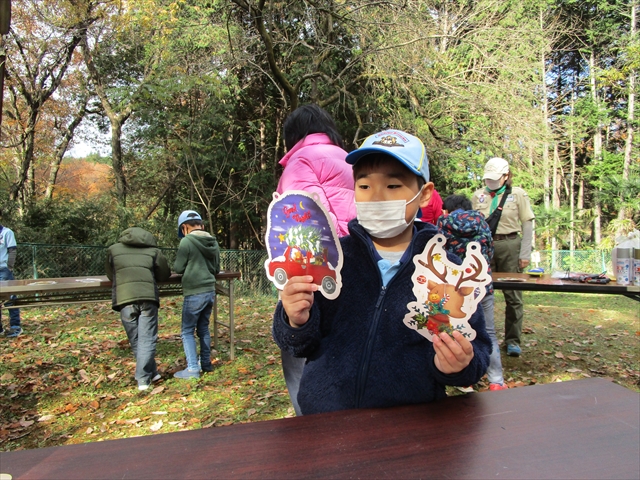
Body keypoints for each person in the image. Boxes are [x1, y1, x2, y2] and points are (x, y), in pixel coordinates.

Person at [272, 129, 491, 415]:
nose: (375, 197)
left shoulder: (447, 272)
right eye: (364, 186)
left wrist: (458, 366)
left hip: (409, 429)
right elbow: (299, 345)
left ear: (424, 195)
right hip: (325, 422)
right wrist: (295, 320)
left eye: (392, 186)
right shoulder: (331, 260)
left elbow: (477, 354)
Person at [276, 104, 356, 415]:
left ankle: (307, 425)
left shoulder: (300, 162)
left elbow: (308, 220)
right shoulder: (349, 159)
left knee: (299, 347)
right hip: (362, 266)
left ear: (292, 136)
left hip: (321, 270)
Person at [437, 194, 507, 391]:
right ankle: (496, 381)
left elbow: (439, 254)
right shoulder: (482, 223)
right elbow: (490, 252)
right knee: (489, 333)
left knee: (459, 332)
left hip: (457, 289)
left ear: (448, 209)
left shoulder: (442, 223)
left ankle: (466, 379)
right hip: (482, 285)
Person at [472, 157, 535, 357]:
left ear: (506, 176)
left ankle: (513, 340)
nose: (490, 182)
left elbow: (527, 223)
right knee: (478, 293)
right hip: (484, 246)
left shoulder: (517, 195)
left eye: (495, 178)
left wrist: (525, 253)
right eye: (488, 179)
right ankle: (479, 338)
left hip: (509, 244)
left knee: (513, 294)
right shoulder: (478, 195)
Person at [106, 227, 171, 390]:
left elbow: (110, 274)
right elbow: (164, 274)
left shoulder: (113, 250)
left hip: (125, 298)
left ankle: (149, 374)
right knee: (147, 338)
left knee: (136, 339)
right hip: (148, 298)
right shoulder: (153, 251)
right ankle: (145, 376)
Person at [173, 210, 220, 379]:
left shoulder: (187, 242)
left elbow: (178, 268)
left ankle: (192, 369)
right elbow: (216, 269)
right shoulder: (213, 241)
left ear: (184, 227)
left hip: (194, 292)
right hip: (210, 291)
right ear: (201, 224)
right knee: (203, 329)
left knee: (187, 331)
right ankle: (206, 364)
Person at [0, 223, 22, 337]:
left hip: (3, 270)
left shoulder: (6, 233)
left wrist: (9, 267)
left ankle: (15, 326)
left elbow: (12, 251)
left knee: (9, 298)